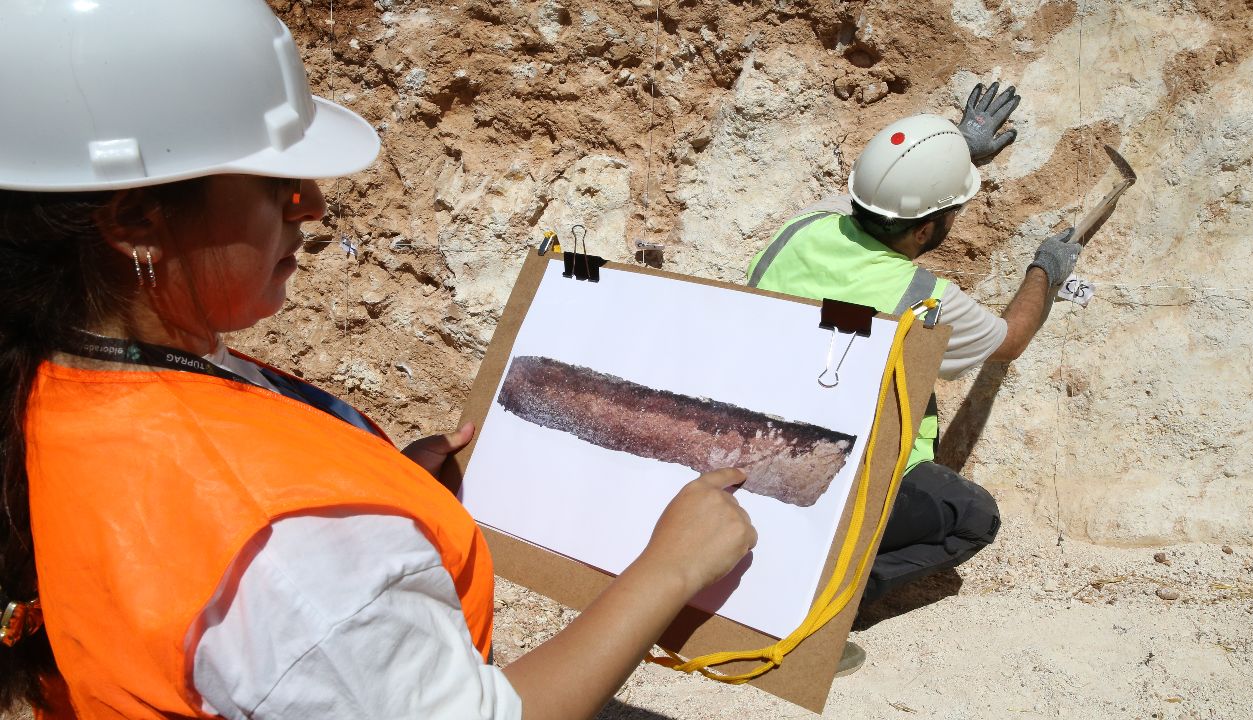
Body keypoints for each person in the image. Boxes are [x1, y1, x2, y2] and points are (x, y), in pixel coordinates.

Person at [0, 2, 756, 718]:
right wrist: (671, 569)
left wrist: (377, 487)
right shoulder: (290, 562)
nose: (313, 204)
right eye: (275, 183)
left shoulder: (55, 377)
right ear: (136, 218)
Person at [747, 86, 1081, 619]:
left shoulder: (802, 226)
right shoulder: (920, 297)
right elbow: (1009, 341)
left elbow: (874, 199)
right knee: (972, 517)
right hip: (846, 470)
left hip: (755, 442)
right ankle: (828, 602)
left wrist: (952, 153)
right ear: (927, 228)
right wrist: (1045, 270)